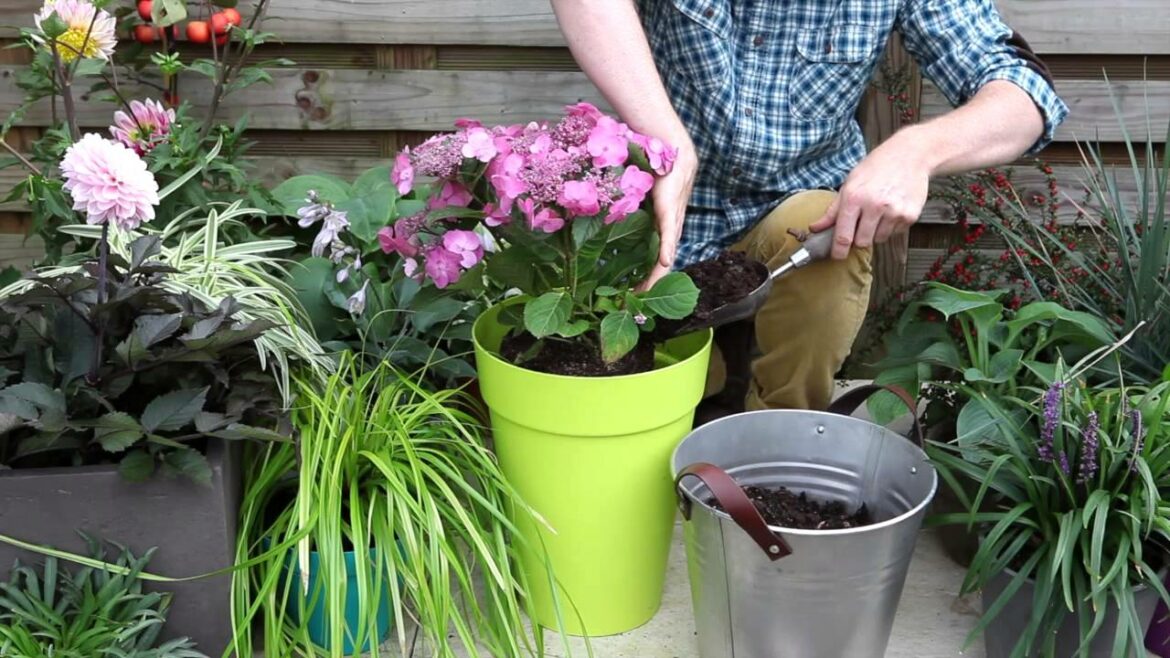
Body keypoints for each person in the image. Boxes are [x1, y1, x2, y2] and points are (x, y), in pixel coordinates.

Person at [549, 0, 1068, 417]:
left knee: (829, 237)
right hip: (664, 218)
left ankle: (777, 437)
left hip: (799, 226)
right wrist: (668, 143)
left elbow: (1025, 94)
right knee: (626, 397)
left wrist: (917, 151)